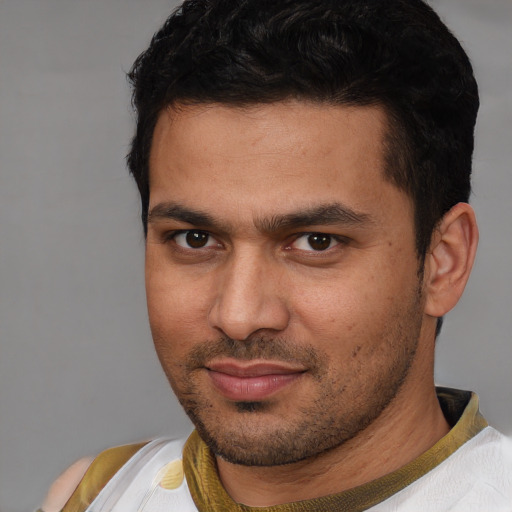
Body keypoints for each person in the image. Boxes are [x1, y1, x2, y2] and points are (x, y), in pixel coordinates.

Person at [40, 0, 512, 511]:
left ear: (444, 261)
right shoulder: (99, 496)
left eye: (316, 242)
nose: (239, 317)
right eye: (195, 238)